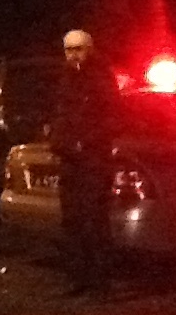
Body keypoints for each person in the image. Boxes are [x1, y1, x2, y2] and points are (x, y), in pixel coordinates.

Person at [50, 29, 123, 294]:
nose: (73, 55)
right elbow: (61, 114)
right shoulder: (65, 78)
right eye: (68, 50)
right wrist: (59, 141)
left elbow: (112, 117)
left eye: (78, 49)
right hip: (71, 159)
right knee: (72, 220)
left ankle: (100, 279)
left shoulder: (101, 77)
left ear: (89, 49)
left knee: (95, 220)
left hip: (94, 160)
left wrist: (87, 141)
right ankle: (78, 277)